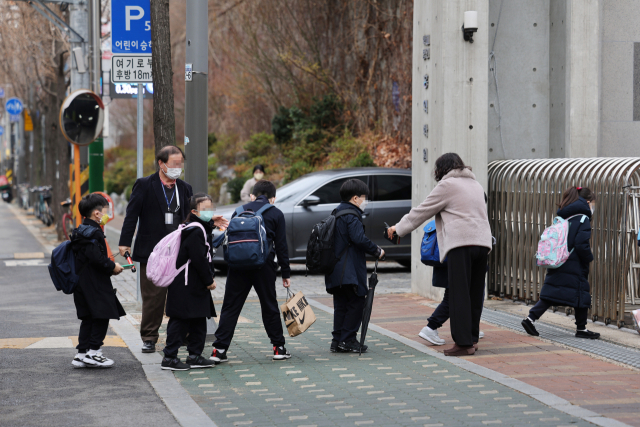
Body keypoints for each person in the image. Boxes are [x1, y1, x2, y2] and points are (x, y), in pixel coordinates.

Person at [118, 146, 227, 353]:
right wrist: (124, 243)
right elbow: (131, 215)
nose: (178, 168)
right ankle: (149, 337)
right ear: (161, 163)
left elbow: (192, 216)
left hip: (180, 252)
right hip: (153, 252)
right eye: (175, 164)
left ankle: (184, 336)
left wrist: (211, 221)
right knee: (153, 297)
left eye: (180, 164)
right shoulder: (144, 185)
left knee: (181, 294)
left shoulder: (185, 188)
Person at [387, 153, 492, 356]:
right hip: (482, 244)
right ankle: (471, 339)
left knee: (459, 294)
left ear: (442, 169)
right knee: (474, 294)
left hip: (461, 244)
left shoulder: (447, 185)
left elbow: (421, 211)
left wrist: (397, 229)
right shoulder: (476, 185)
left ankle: (463, 344)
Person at [211, 180, 292, 362]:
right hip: (264, 266)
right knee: (269, 306)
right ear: (273, 198)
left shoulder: (238, 211)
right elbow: (281, 246)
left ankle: (219, 350)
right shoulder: (276, 213)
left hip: (237, 266)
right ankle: (278, 348)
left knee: (231, 307)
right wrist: (285, 273)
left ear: (252, 196)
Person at [521, 187, 600, 339]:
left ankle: (530, 319)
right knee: (581, 293)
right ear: (588, 201)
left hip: (560, 259)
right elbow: (581, 243)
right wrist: (589, 258)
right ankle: (581, 329)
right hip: (574, 263)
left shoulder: (567, 216)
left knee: (552, 293)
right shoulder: (583, 218)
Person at [161, 193, 219, 371]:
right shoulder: (194, 230)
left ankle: (195, 355)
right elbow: (199, 259)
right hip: (187, 283)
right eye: (205, 209)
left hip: (192, 283)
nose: (209, 212)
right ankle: (169, 358)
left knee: (198, 320)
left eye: (211, 208)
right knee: (180, 320)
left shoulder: (195, 226)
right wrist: (209, 280)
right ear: (194, 211)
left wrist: (211, 224)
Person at [326, 179, 385, 353]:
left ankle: (337, 341)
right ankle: (348, 340)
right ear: (355, 198)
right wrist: (377, 251)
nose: (365, 201)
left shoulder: (336, 213)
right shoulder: (351, 215)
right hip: (349, 270)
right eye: (364, 197)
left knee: (341, 306)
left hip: (335, 269)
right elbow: (358, 238)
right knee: (356, 302)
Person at [71, 194, 126, 368]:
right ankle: (94, 352)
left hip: (81, 281)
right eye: (105, 211)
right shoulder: (94, 233)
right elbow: (97, 259)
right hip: (95, 283)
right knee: (102, 315)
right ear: (96, 213)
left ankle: (81, 353)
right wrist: (112, 267)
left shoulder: (80, 230)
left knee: (87, 317)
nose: (107, 214)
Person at [418, 265, 485, 345]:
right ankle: (430, 328)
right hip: (459, 263)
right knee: (454, 297)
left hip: (456, 263)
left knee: (461, 296)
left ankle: (469, 329)